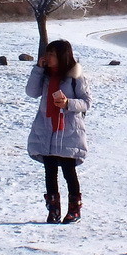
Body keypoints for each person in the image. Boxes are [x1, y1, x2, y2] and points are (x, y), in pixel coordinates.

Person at [26, 39, 91, 223]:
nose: (48, 57)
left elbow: (86, 102)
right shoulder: (45, 75)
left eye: (52, 54)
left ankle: (74, 211)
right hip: (47, 128)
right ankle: (53, 211)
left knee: (69, 172)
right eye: (47, 53)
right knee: (50, 171)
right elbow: (31, 92)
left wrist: (68, 103)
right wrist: (38, 69)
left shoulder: (75, 76)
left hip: (69, 131)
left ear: (62, 56)